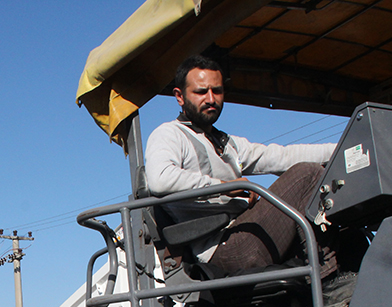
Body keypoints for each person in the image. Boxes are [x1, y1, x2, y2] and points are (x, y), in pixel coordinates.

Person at [144, 54, 337, 276]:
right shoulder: (169, 134)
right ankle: (328, 280)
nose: (210, 99)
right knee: (308, 175)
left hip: (244, 231)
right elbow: (160, 179)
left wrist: (343, 145)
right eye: (200, 92)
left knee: (347, 228)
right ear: (179, 96)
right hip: (222, 248)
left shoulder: (226, 142)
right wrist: (224, 186)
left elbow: (282, 156)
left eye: (216, 91)